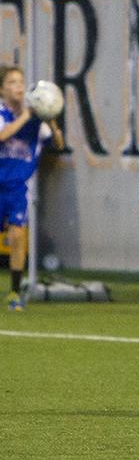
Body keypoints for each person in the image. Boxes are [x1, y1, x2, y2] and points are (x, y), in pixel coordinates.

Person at [0, 65, 64, 311]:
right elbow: (3, 136)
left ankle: (15, 292)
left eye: (20, 82)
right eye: (12, 82)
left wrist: (52, 119)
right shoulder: (5, 113)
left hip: (17, 187)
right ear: (3, 89)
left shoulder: (37, 119)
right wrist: (26, 116)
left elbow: (57, 144)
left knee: (17, 236)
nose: (18, 86)